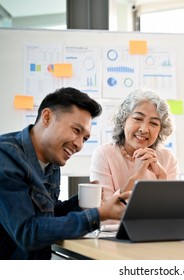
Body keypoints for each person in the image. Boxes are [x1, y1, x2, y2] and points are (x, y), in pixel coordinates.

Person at [0, 87, 130, 260]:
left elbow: (49, 215)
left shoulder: (51, 161)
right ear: (47, 117)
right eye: (76, 130)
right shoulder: (6, 156)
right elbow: (27, 233)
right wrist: (99, 215)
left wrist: (81, 201)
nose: (79, 144)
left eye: (84, 138)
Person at [90, 88, 179, 202]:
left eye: (153, 123)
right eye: (138, 118)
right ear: (123, 120)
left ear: (160, 130)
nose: (144, 129)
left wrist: (162, 176)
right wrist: (136, 176)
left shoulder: (167, 158)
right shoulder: (104, 154)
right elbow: (105, 214)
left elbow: (170, 212)